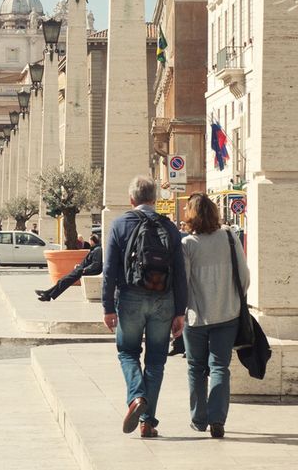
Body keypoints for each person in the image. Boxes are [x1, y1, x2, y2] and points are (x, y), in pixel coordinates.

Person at [102, 176, 187, 439]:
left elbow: (109, 271)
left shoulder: (120, 225)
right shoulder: (169, 227)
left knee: (127, 352)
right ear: (154, 199)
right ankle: (148, 423)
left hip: (130, 298)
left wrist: (108, 307)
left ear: (131, 200)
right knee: (156, 360)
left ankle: (136, 397)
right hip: (164, 300)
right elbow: (181, 272)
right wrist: (180, 311)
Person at [181, 193, 248, 439]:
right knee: (219, 366)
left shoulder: (187, 244)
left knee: (195, 367)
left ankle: (199, 419)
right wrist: (231, 298)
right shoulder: (230, 237)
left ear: (191, 215)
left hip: (196, 317)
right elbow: (244, 276)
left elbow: (184, 283)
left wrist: (183, 311)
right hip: (227, 314)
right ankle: (217, 419)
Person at [37, 233, 102, 301]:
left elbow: (96, 264)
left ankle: (47, 294)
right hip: (81, 269)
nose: (89, 242)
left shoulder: (97, 250)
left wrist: (85, 269)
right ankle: (47, 294)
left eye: (90, 240)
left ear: (92, 241)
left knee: (64, 280)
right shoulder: (95, 249)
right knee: (63, 280)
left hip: (85, 271)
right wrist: (79, 266)